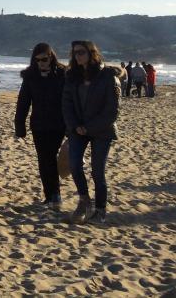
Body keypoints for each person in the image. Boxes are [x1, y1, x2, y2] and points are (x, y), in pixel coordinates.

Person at [62, 40, 119, 224]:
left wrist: (89, 127)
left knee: (97, 171)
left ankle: (100, 209)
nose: (77, 56)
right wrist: (75, 126)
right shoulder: (72, 76)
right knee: (74, 164)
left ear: (91, 53)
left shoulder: (107, 76)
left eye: (81, 52)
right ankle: (84, 201)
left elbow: (112, 111)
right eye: (75, 53)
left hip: (102, 130)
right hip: (78, 129)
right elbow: (66, 104)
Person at [14, 43, 67, 209]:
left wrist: (72, 124)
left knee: (49, 157)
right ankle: (49, 196)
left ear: (51, 57)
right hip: (38, 124)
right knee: (43, 159)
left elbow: (69, 100)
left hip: (58, 124)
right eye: (37, 60)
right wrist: (19, 126)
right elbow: (23, 102)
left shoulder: (63, 74)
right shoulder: (30, 76)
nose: (41, 63)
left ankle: (55, 195)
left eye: (44, 59)